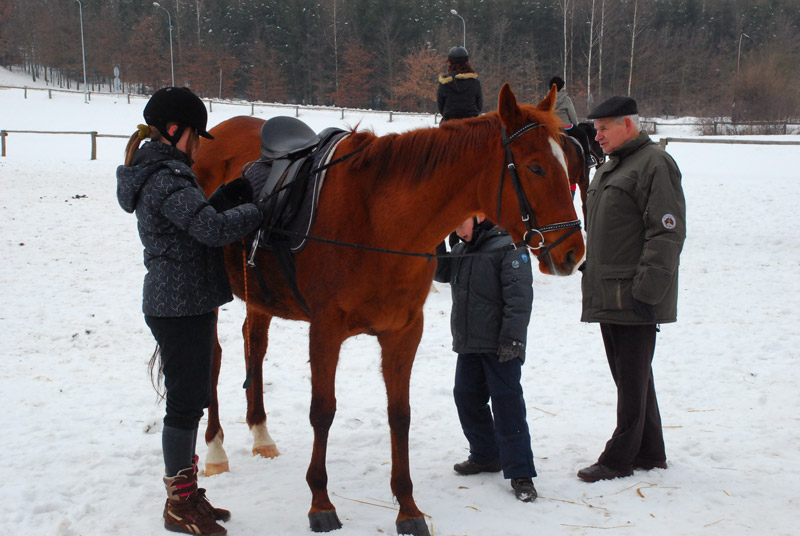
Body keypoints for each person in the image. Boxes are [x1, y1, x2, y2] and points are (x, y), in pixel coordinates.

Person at [117, 87, 262, 535]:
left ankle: (187, 493)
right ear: (176, 131)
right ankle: (179, 506)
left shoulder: (163, 175)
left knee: (192, 400)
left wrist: (232, 191)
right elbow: (211, 230)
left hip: (182, 301)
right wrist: (259, 210)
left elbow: (195, 217)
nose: (198, 145)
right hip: (178, 304)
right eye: (195, 135)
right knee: (184, 407)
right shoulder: (166, 177)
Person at [577, 95, 686, 483]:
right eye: (595, 129)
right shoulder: (611, 168)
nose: (598, 135)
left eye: (605, 128)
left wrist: (648, 290)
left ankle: (618, 458)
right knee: (632, 376)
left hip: (635, 294)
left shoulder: (655, 164)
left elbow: (666, 232)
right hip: (609, 290)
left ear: (628, 124)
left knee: (632, 377)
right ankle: (651, 451)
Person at [434, 214, 538, 502]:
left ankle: (521, 473)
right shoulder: (461, 248)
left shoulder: (508, 246)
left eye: (460, 225)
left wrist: (513, 341)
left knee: (507, 406)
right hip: (469, 343)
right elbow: (442, 272)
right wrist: (436, 240)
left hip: (500, 345)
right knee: (466, 397)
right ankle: (485, 455)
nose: (458, 232)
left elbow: (519, 300)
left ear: (478, 217)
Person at [549, 76, 596, 168]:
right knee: (583, 135)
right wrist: (575, 124)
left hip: (552, 128)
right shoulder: (566, 99)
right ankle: (588, 157)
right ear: (561, 87)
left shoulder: (546, 99)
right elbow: (572, 114)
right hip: (566, 127)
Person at [437, 46, 483, 122]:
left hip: (450, 124)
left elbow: (441, 107)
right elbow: (479, 106)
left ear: (450, 61)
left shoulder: (444, 82)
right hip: (471, 125)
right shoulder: (475, 82)